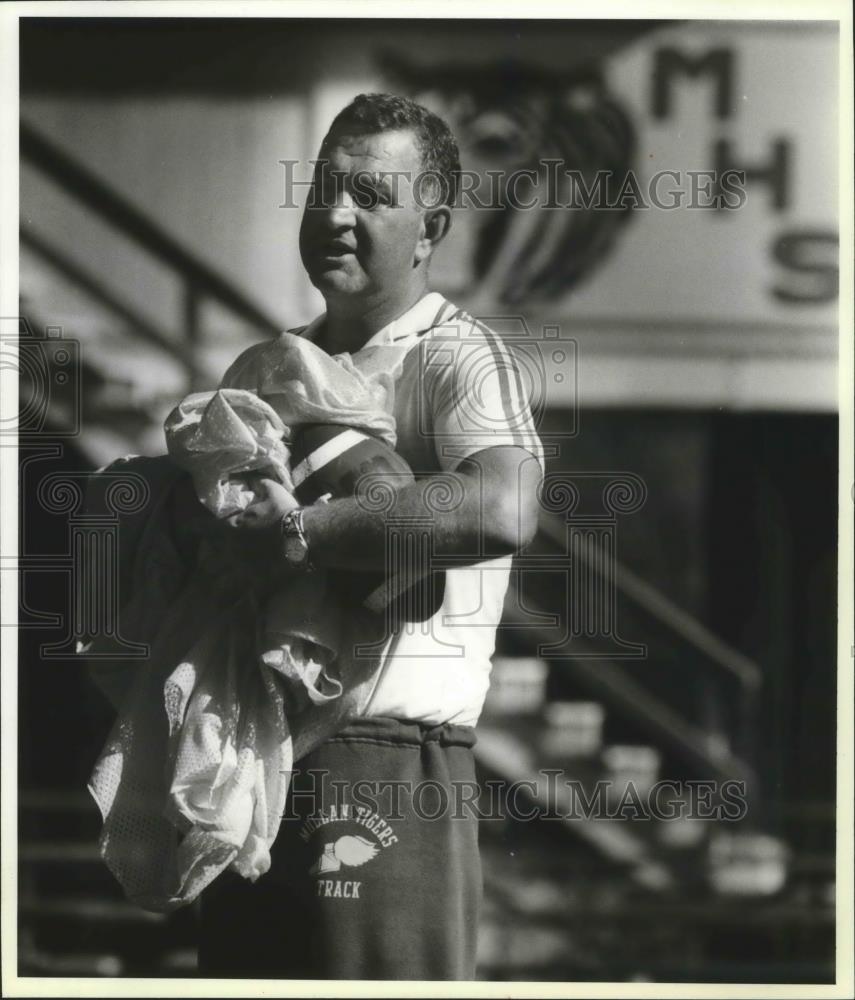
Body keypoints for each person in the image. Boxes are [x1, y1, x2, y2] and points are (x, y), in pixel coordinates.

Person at [196, 93, 544, 981]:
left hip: (385, 762)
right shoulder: (265, 367)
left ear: (430, 225)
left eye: (369, 195)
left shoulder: (457, 355)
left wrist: (307, 531)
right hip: (252, 762)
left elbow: (502, 509)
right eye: (323, 189)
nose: (335, 215)